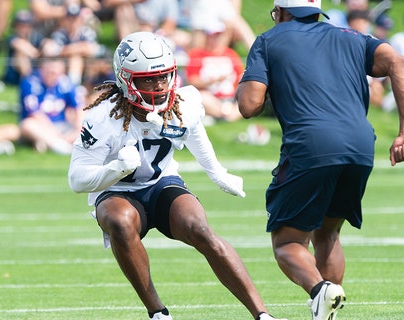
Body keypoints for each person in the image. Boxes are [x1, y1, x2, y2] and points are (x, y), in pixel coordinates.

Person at [67, 31, 285, 320]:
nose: (158, 85)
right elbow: (76, 179)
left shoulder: (185, 102)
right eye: (147, 78)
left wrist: (218, 174)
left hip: (161, 184)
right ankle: (158, 313)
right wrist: (114, 169)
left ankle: (262, 315)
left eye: (163, 76)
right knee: (120, 222)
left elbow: (195, 135)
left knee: (200, 228)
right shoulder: (102, 117)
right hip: (117, 191)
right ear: (125, 79)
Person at [235, 1, 404, 320]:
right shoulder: (352, 36)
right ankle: (326, 310)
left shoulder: (269, 39)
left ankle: (321, 290)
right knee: (328, 232)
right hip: (361, 144)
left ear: (280, 11)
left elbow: (249, 105)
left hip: (311, 143)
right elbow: (399, 62)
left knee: (287, 241)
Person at [19, 58, 83, 154]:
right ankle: (63, 148)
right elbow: (34, 113)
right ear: (42, 69)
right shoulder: (30, 83)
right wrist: (54, 133)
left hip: (63, 125)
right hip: (42, 127)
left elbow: (79, 108)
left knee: (89, 117)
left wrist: (77, 130)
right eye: (50, 71)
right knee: (27, 124)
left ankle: (45, 143)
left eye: (56, 72)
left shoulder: (65, 83)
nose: (53, 75)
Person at [185, 21, 244, 123]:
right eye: (214, 36)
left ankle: (223, 115)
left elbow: (241, 75)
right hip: (210, 97)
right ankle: (225, 115)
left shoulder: (231, 54)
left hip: (230, 97)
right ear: (207, 37)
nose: (217, 39)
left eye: (219, 36)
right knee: (202, 98)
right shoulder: (197, 55)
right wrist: (213, 81)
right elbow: (192, 81)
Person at [1, 9, 45, 86]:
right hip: (13, 77)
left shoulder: (36, 38)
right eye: (20, 25)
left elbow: (46, 45)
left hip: (35, 70)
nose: (23, 28)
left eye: (26, 25)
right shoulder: (12, 38)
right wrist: (38, 54)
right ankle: (29, 80)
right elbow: (20, 45)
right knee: (20, 54)